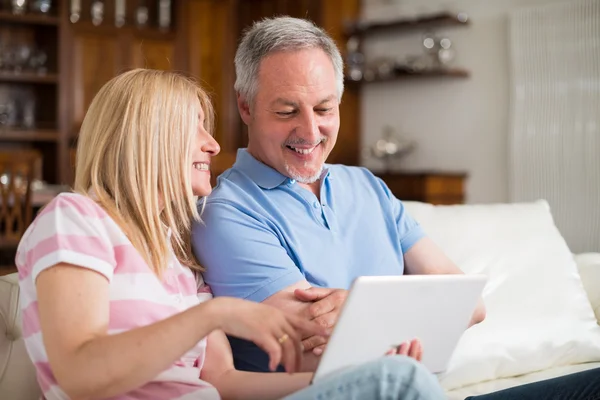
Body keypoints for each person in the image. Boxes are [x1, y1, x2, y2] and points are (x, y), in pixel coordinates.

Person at [15, 69, 446, 400]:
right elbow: (79, 372)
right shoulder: (75, 219)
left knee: (399, 379)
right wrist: (213, 314)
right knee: (401, 380)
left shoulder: (176, 256)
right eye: (195, 127)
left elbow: (224, 381)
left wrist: (349, 377)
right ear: (146, 136)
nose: (213, 145)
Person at [191, 16, 486, 374]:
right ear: (246, 107)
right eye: (287, 111)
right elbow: (321, 351)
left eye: (324, 109)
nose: (310, 131)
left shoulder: (366, 185)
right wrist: (418, 313)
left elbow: (470, 303)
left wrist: (361, 309)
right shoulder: (226, 212)